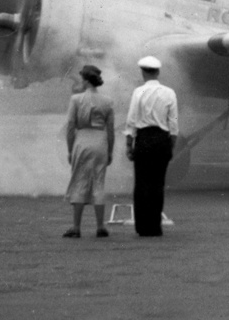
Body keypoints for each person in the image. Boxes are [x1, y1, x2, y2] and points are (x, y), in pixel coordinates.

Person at [124, 55, 178, 237]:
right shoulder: (170, 93)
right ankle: (155, 227)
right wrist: (171, 146)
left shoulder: (138, 92)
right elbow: (174, 124)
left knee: (141, 185)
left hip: (144, 138)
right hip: (162, 139)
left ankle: (142, 227)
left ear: (143, 72)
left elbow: (131, 121)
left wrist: (129, 145)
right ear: (158, 72)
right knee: (157, 184)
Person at [63, 64, 115, 238]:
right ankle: (100, 226)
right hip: (100, 142)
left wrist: (70, 149)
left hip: (82, 140)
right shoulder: (107, 101)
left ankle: (76, 227)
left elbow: (70, 126)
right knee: (98, 183)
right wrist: (110, 151)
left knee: (79, 180)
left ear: (85, 80)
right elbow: (111, 129)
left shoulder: (76, 99)